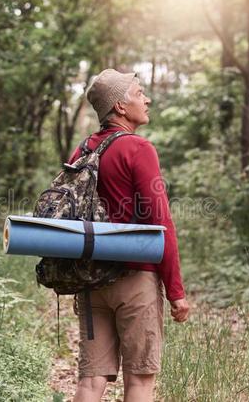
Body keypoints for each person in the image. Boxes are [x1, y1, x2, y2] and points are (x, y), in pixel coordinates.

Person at [68, 68, 190, 402]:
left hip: (91, 279)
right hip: (135, 279)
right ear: (120, 107)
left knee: (91, 382)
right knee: (139, 381)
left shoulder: (81, 152)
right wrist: (176, 290)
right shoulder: (138, 149)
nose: (146, 99)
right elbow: (161, 222)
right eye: (139, 93)